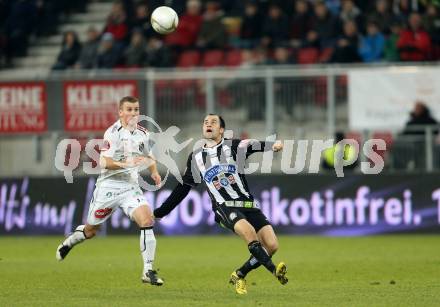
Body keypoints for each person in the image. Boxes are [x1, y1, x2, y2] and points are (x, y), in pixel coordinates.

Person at [153, 114, 288, 295]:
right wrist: (161, 211)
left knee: (272, 245)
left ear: (221, 130)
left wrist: (274, 145)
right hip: (224, 206)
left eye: (213, 122)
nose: (208, 124)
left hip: (247, 204)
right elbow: (183, 188)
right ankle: (274, 270)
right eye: (205, 122)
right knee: (249, 235)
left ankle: (239, 274)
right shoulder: (196, 157)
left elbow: (253, 145)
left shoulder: (233, 146)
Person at [56, 96, 164, 286]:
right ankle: (70, 241)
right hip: (109, 187)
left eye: (136, 110)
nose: (133, 113)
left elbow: (148, 155)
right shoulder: (112, 133)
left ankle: (148, 270)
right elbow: (104, 162)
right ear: (120, 112)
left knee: (147, 220)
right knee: (91, 230)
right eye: (129, 110)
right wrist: (127, 163)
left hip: (131, 187)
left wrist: (154, 172)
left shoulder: (143, 133)